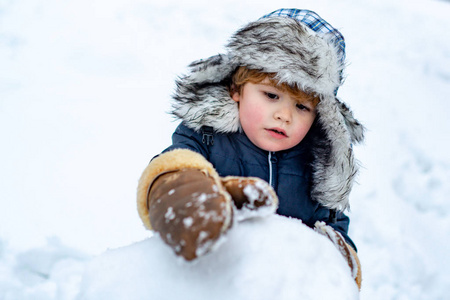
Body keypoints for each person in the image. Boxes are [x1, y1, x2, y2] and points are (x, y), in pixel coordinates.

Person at [137, 9, 364, 288]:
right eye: (271, 95)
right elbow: (173, 167)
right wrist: (187, 198)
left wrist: (337, 267)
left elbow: (333, 229)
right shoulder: (207, 136)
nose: (284, 115)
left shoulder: (318, 166)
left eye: (302, 106)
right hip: (209, 282)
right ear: (237, 89)